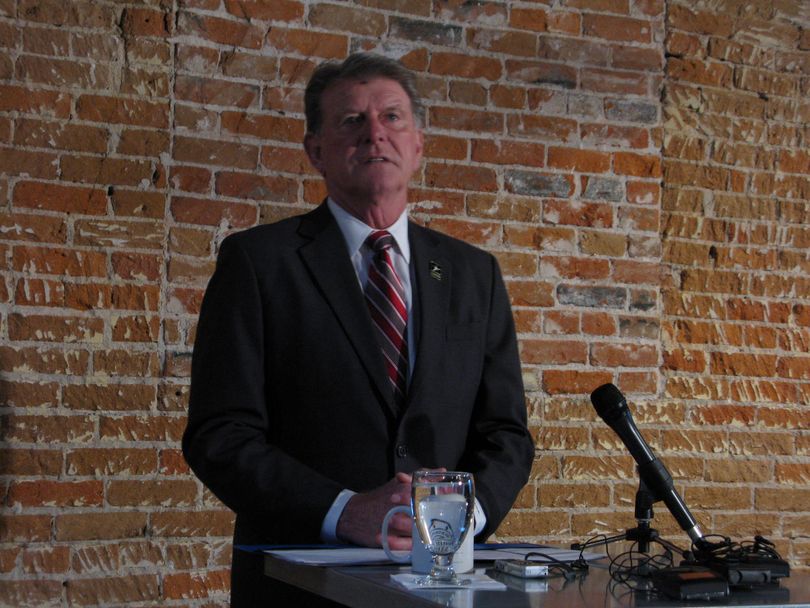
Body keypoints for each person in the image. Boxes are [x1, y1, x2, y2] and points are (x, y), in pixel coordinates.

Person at [182, 52, 535, 607]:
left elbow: (507, 434)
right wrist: (344, 509)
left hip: (445, 586)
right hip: (301, 587)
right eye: (351, 121)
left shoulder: (474, 273)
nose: (375, 134)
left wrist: (466, 517)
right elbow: (220, 434)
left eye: (392, 117)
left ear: (418, 144)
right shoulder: (258, 262)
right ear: (315, 150)